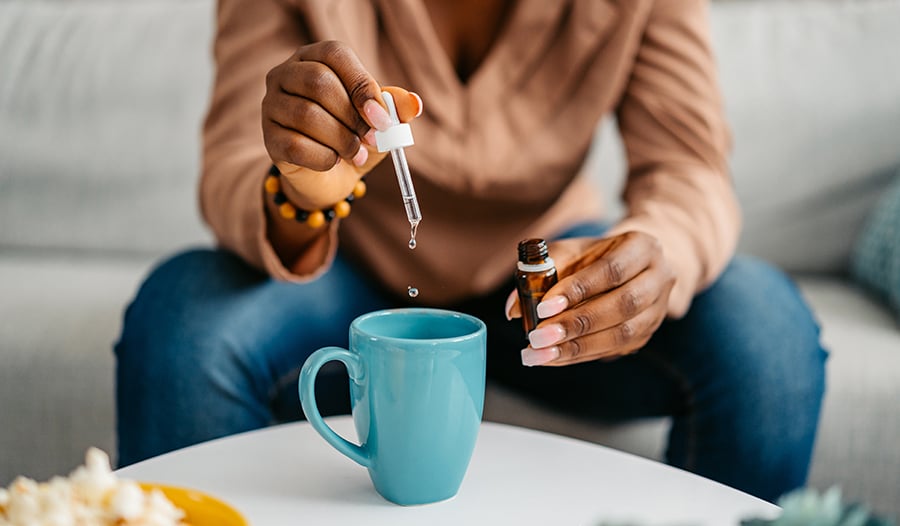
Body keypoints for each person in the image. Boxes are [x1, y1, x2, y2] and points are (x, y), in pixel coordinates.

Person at [115, 0, 827, 502]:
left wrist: (658, 253)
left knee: (766, 337)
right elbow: (232, 168)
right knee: (183, 323)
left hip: (539, 295)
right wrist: (303, 188)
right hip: (345, 280)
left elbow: (689, 168)